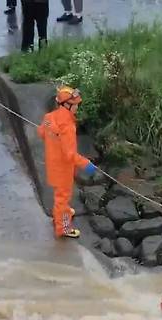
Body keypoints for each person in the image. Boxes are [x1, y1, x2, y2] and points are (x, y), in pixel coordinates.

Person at [37, 85, 96, 239]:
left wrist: (53, 136)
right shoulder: (68, 126)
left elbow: (41, 132)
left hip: (53, 165)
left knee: (60, 195)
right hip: (63, 169)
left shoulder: (49, 117)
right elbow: (70, 155)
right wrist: (86, 164)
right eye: (76, 104)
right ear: (67, 105)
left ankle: (62, 214)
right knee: (62, 198)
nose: (77, 106)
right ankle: (63, 227)